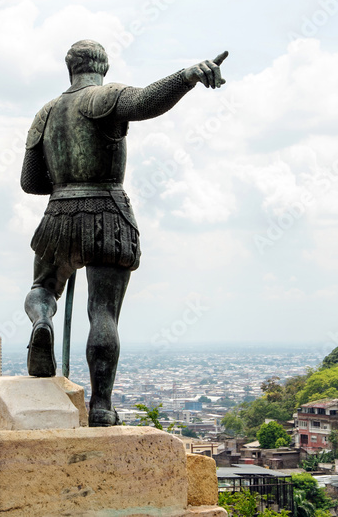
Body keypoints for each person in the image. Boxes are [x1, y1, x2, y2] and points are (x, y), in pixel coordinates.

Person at [20, 39, 227, 426]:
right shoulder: (106, 96)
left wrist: (66, 185)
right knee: (103, 312)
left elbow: (30, 182)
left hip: (58, 215)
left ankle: (41, 322)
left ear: (69, 69)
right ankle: (100, 406)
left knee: (42, 289)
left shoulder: (45, 114)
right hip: (107, 213)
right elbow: (148, 101)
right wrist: (188, 76)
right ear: (103, 68)